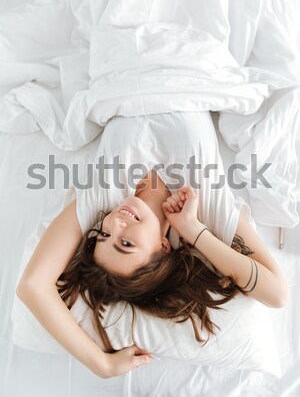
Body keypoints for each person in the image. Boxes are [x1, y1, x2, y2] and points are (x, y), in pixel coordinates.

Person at [16, 111, 289, 379]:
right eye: (125, 243)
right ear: (162, 247)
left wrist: (101, 365)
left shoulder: (102, 199)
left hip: (120, 77)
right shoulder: (203, 206)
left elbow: (32, 285)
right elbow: (276, 294)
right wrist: (194, 230)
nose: (115, 223)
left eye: (103, 234)